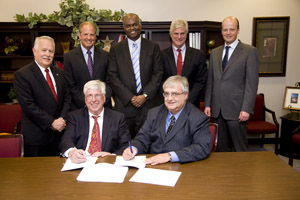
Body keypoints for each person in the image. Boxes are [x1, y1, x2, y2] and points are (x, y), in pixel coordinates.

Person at [123, 75, 211, 165]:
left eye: (175, 94)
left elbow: (202, 147)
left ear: (185, 95)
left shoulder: (198, 117)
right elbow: (142, 138)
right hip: (153, 166)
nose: (169, 98)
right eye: (166, 94)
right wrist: (133, 148)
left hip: (183, 167)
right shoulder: (154, 113)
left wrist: (169, 156)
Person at [204, 16, 259, 152]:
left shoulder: (249, 51)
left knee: (240, 149)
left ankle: (243, 173)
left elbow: (251, 83)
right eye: (225, 29)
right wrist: (207, 104)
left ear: (238, 30)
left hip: (237, 111)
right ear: (221, 31)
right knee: (222, 149)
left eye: (232, 29)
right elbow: (210, 81)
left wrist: (246, 108)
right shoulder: (215, 53)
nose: (228, 33)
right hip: (217, 110)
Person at [108, 13, 163, 138]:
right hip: (125, 105)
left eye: (134, 25)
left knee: (149, 144)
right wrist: (131, 97)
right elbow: (113, 76)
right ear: (124, 28)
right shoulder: (116, 49)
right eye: (128, 26)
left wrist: (145, 95)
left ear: (140, 25)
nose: (132, 28)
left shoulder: (153, 46)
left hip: (149, 105)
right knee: (126, 145)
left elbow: (158, 73)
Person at [14, 36, 71, 157]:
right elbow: (28, 105)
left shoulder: (59, 73)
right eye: (44, 50)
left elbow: (67, 98)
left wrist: (62, 119)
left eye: (51, 51)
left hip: (59, 136)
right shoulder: (23, 74)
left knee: (57, 174)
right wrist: (51, 122)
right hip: (36, 138)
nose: (48, 54)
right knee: (36, 174)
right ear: (34, 51)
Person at [59, 80, 131, 164]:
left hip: (106, 164)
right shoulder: (74, 117)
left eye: (97, 95)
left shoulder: (118, 118)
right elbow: (66, 140)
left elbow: (125, 144)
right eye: (89, 96)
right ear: (85, 99)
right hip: (81, 162)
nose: (93, 100)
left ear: (104, 98)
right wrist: (72, 152)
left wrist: (112, 155)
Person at [63, 21, 111, 110]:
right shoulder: (69, 57)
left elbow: (109, 82)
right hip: (79, 108)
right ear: (79, 35)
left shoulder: (105, 56)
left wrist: (100, 101)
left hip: (103, 108)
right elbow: (70, 85)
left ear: (95, 36)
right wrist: (88, 102)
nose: (89, 38)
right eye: (85, 34)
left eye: (92, 35)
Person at [161, 18, 207, 108]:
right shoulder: (161, 55)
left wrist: (186, 99)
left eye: (182, 33)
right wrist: (170, 98)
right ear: (171, 35)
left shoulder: (198, 55)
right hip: (168, 103)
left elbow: (201, 81)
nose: (179, 37)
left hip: (191, 103)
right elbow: (160, 80)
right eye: (176, 33)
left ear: (186, 35)